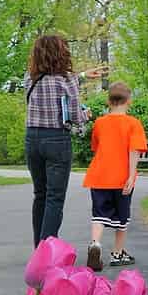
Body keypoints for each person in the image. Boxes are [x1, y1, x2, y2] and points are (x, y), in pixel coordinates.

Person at [23, 34, 105, 246]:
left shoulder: (29, 78)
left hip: (32, 139)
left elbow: (50, 84)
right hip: (57, 140)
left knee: (40, 194)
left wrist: (84, 75)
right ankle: (47, 249)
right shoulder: (66, 80)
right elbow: (76, 117)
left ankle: (38, 247)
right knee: (54, 198)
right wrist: (86, 115)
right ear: (61, 54)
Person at [83, 80, 148, 271]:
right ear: (129, 101)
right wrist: (130, 176)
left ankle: (95, 244)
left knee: (99, 214)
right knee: (122, 217)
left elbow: (96, 147)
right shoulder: (133, 124)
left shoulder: (99, 123)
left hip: (99, 176)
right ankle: (117, 253)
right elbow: (134, 151)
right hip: (121, 178)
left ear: (108, 102)